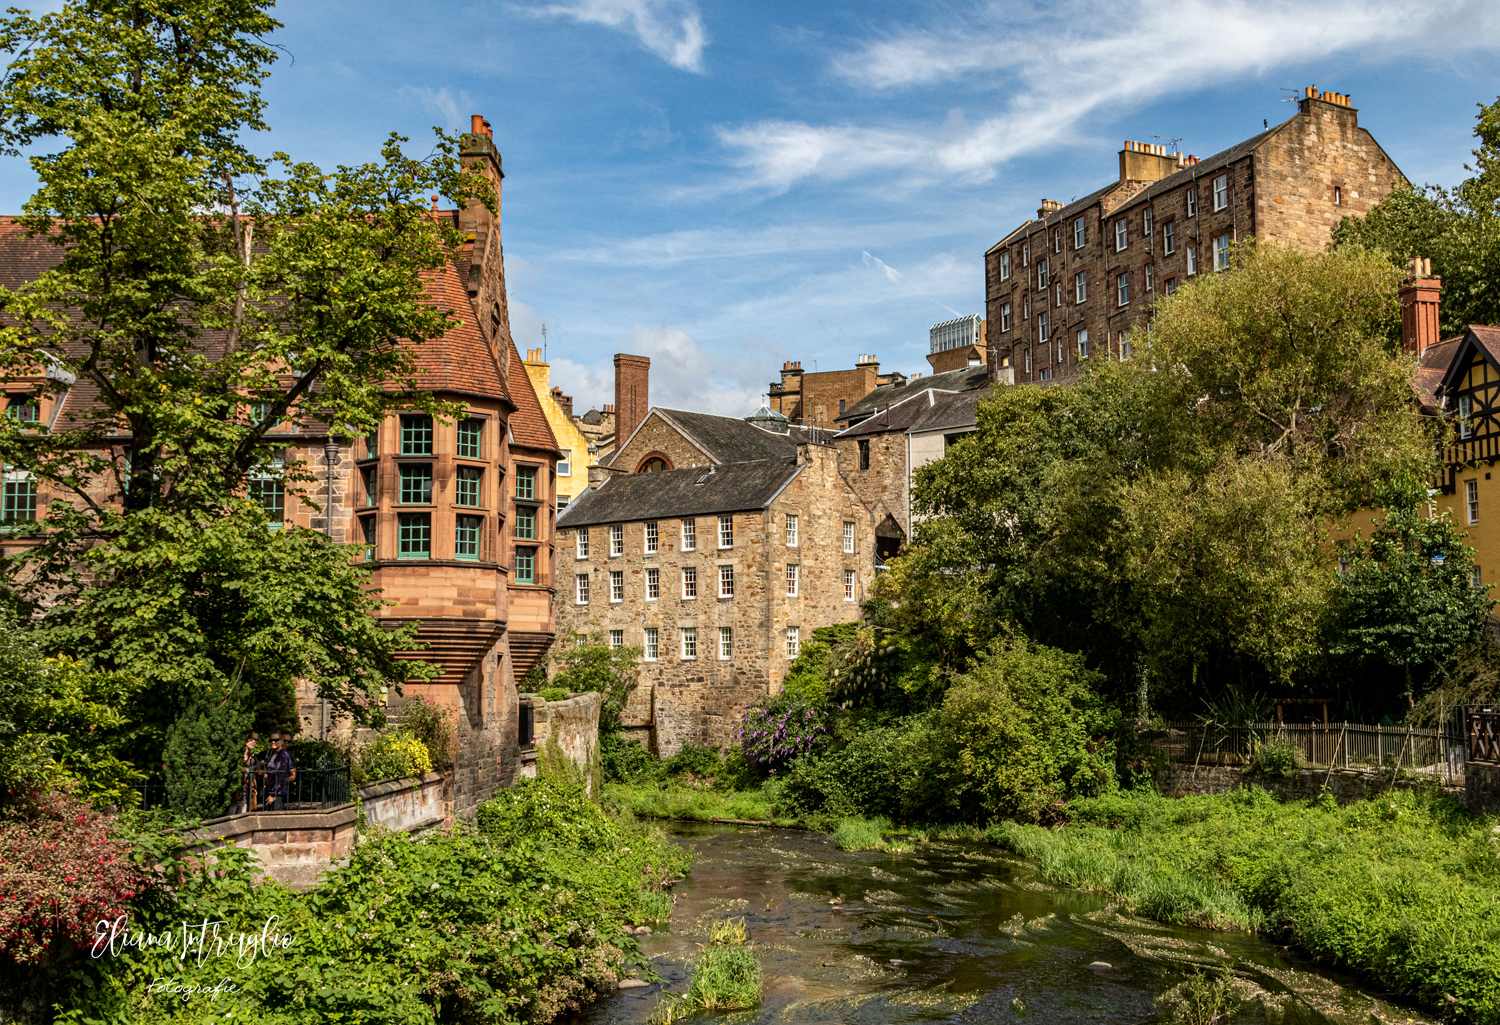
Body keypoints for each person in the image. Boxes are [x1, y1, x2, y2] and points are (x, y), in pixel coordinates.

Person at [264, 733, 297, 810]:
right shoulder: (271, 754)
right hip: (270, 791)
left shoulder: (283, 755)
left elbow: (280, 775)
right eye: (271, 740)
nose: (273, 742)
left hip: (278, 793)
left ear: (281, 741)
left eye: (276, 740)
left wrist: (273, 794)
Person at [231, 731, 259, 814]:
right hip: (236, 790)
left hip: (244, 791)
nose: (254, 742)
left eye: (256, 740)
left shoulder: (251, 756)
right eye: (252, 739)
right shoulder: (239, 753)